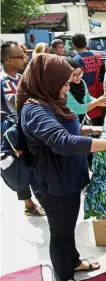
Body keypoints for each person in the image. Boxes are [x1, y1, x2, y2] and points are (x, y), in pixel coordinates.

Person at [16, 54, 106, 281]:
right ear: (47, 80)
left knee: (67, 227)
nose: (67, 87)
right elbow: (62, 141)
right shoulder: (35, 109)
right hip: (54, 185)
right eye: (63, 82)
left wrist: (91, 129)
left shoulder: (50, 101)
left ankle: (73, 262)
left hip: (66, 180)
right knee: (60, 234)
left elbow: (65, 126)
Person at [0, 41, 46, 216]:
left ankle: (35, 202)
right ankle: (29, 204)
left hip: (29, 130)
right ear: (9, 60)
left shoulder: (23, 78)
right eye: (21, 55)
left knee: (34, 164)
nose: (25, 58)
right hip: (12, 134)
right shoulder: (2, 82)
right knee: (20, 166)